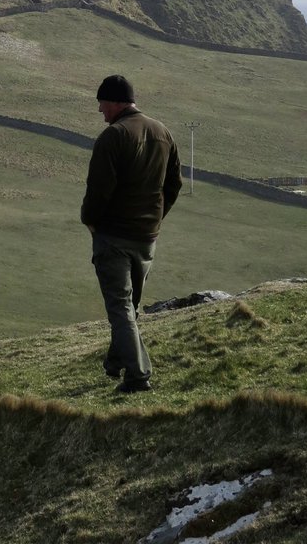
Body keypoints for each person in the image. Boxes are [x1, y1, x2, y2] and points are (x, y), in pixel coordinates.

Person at [81, 74, 182, 393]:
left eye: (102, 103)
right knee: (130, 303)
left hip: (114, 236)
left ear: (115, 102)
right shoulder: (162, 132)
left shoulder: (113, 137)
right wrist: (156, 217)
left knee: (121, 306)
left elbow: (98, 190)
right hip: (147, 237)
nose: (100, 110)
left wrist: (90, 221)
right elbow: (174, 184)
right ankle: (116, 361)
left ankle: (138, 375)